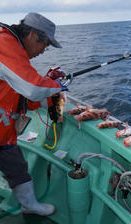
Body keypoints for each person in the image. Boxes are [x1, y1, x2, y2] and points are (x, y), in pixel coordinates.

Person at [0, 12, 67, 216]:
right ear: (31, 35)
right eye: (44, 45)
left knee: (17, 167)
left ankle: (29, 206)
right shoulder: (4, 43)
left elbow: (21, 92)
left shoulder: (16, 52)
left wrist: (51, 93)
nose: (43, 52)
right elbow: (31, 86)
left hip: (4, 133)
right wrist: (56, 86)